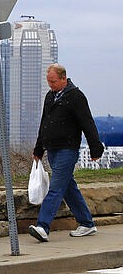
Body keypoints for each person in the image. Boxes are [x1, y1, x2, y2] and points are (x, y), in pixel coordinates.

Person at [29, 63, 104, 242]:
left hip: (67, 149)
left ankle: (42, 226)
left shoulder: (75, 96)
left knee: (55, 188)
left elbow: (87, 122)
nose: (50, 85)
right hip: (52, 149)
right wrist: (39, 148)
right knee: (68, 187)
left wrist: (95, 147)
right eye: (48, 82)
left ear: (64, 78)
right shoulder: (50, 96)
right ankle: (87, 223)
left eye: (53, 82)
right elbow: (44, 123)